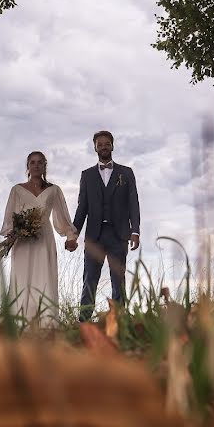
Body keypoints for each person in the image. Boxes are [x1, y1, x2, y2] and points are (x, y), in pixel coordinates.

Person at [69, 130, 140, 322]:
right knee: (89, 280)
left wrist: (135, 231)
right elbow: (82, 207)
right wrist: (73, 235)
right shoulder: (87, 175)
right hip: (94, 236)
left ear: (112, 146)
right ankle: (83, 322)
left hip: (119, 235)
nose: (103, 146)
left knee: (118, 280)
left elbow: (133, 202)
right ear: (95, 148)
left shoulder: (126, 173)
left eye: (106, 143)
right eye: (99, 144)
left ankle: (119, 321)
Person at [0, 151, 78, 325]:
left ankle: (46, 323)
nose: (36, 165)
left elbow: (62, 217)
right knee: (21, 278)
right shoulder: (17, 190)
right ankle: (20, 323)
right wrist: (11, 235)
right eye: (32, 162)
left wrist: (70, 236)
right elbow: (9, 218)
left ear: (45, 166)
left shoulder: (54, 190)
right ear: (27, 166)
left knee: (44, 276)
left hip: (44, 239)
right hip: (22, 240)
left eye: (40, 162)